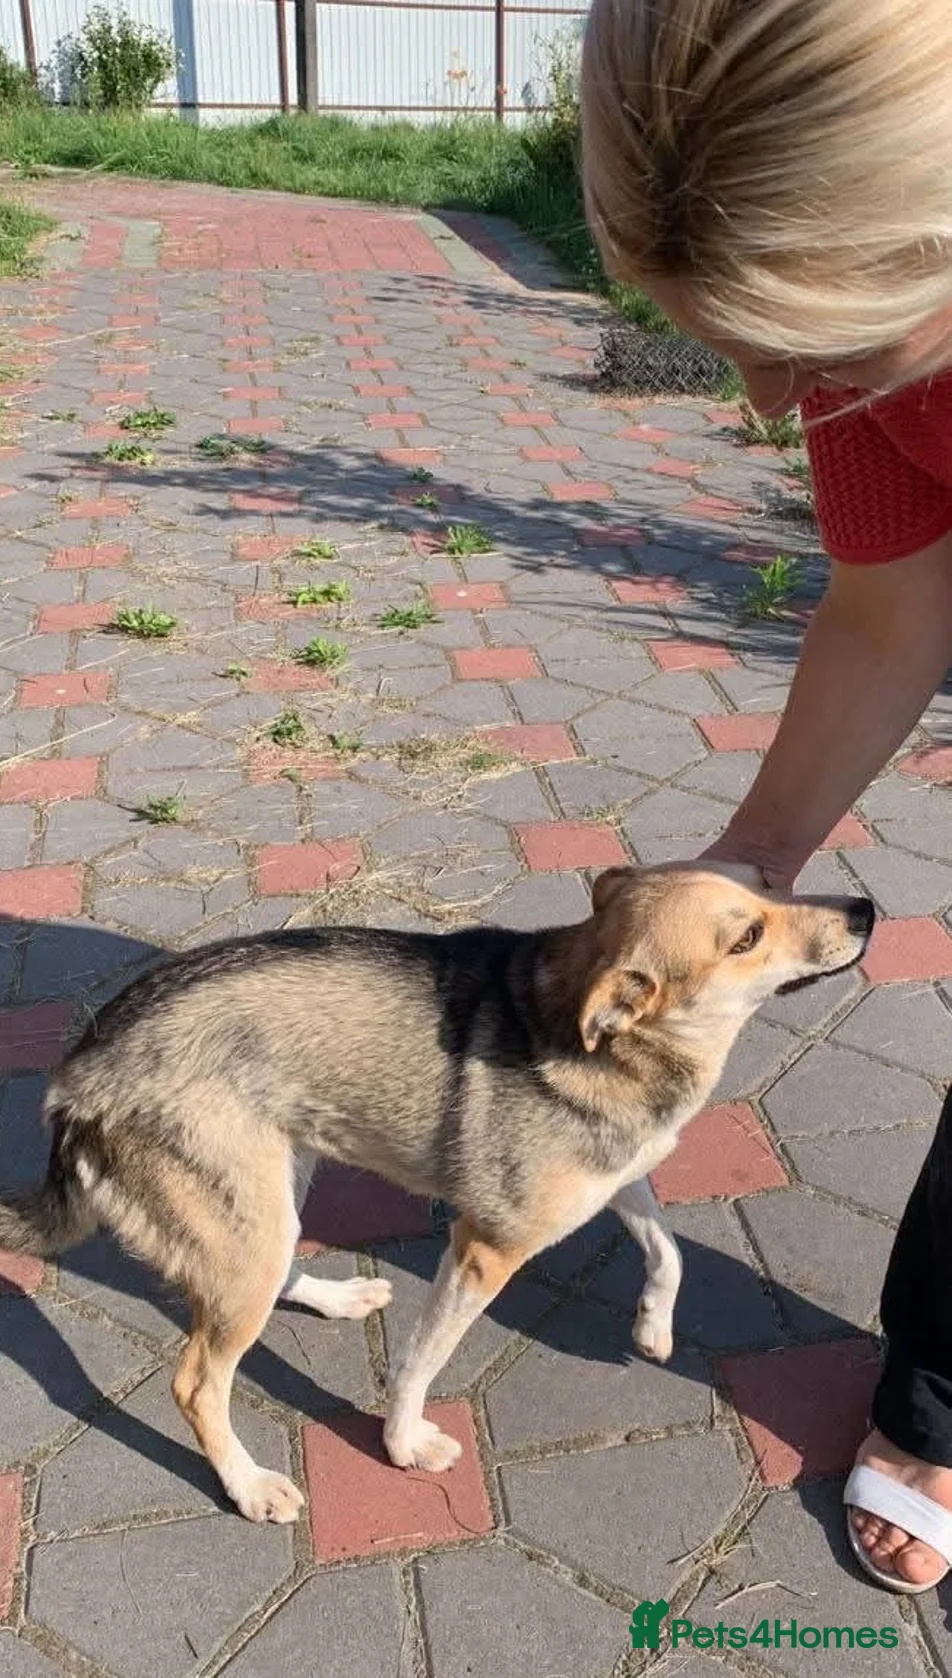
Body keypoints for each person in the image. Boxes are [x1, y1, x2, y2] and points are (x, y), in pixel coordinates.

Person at [580, 0, 952, 1593]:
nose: (759, 401)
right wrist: (749, 861)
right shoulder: (879, 357)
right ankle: (938, 1400)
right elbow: (890, 606)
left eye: (813, 349)